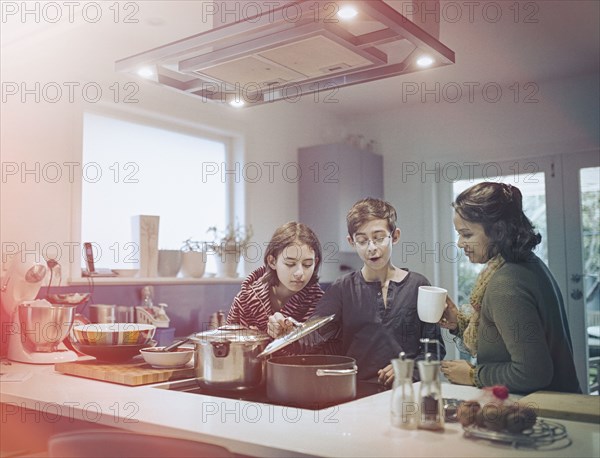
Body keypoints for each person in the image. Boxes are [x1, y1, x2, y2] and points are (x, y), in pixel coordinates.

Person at [268, 198, 445, 385]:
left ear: (395, 236)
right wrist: (286, 329)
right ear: (351, 241)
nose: (372, 248)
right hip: (357, 394)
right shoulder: (342, 289)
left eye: (379, 238)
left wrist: (409, 368)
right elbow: (311, 337)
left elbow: (435, 349)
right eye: (362, 240)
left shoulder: (419, 285)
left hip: (408, 393)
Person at [439, 182, 581, 394]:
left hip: (540, 414)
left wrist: (473, 375)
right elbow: (504, 338)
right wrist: (458, 324)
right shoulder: (527, 264)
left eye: (467, 234)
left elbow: (533, 373)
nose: (459, 243)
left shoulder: (506, 283)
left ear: (497, 231)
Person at [226, 221, 324, 332]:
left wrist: (289, 338)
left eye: (307, 265)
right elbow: (229, 343)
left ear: (315, 263)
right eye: (290, 264)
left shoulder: (322, 304)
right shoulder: (245, 300)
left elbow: (328, 348)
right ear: (272, 261)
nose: (299, 272)